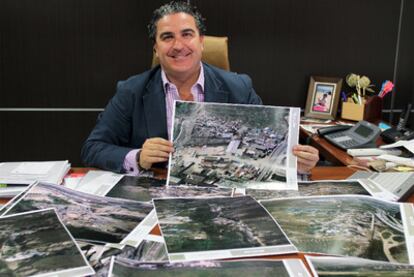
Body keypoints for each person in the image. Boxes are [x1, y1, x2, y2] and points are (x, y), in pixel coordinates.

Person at [81, 1, 319, 176]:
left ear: (201, 42)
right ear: (156, 49)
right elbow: (93, 148)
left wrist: (295, 161)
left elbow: (267, 147)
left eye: (187, 34)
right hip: (155, 195)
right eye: (167, 37)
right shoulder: (131, 91)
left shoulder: (239, 87)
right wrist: (138, 157)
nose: (178, 45)